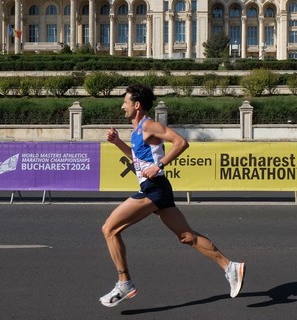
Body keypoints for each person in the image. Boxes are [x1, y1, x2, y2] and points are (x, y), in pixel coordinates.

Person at [99, 84, 245, 307]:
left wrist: (159, 165)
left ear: (137, 105)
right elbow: (137, 161)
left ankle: (124, 282)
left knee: (109, 229)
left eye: (125, 102)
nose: (122, 106)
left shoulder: (150, 126)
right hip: (157, 188)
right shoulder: (138, 131)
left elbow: (181, 143)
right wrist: (118, 142)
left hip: (153, 188)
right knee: (187, 236)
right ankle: (230, 267)